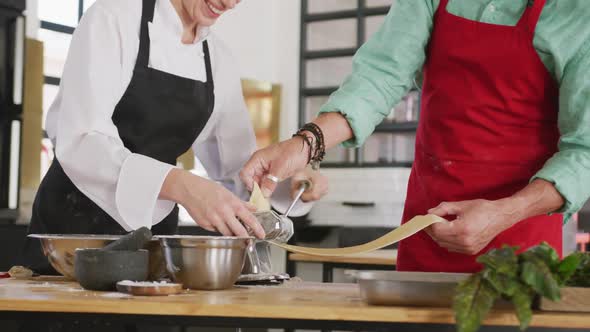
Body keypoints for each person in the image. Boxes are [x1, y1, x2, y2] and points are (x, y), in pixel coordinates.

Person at [240, 0, 590, 272]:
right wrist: (305, 144)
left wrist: (505, 214)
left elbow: (585, 151)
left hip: (520, 247)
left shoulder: (578, 13)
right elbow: (380, 76)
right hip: (426, 232)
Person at [21, 0, 328, 274]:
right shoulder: (113, 17)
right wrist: (180, 185)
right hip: (71, 236)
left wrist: (287, 183)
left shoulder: (217, 59)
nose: (230, 3)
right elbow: (82, 139)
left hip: (154, 241)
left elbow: (239, 169)